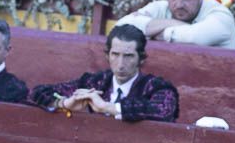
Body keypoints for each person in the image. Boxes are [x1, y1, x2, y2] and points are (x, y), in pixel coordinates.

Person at [30, 24, 179, 121]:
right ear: (107, 55)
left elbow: (162, 110)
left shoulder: (156, 87)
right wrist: (63, 103)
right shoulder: (94, 83)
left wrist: (107, 107)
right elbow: (36, 93)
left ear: (141, 59)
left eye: (128, 56)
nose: (120, 64)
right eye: (115, 55)